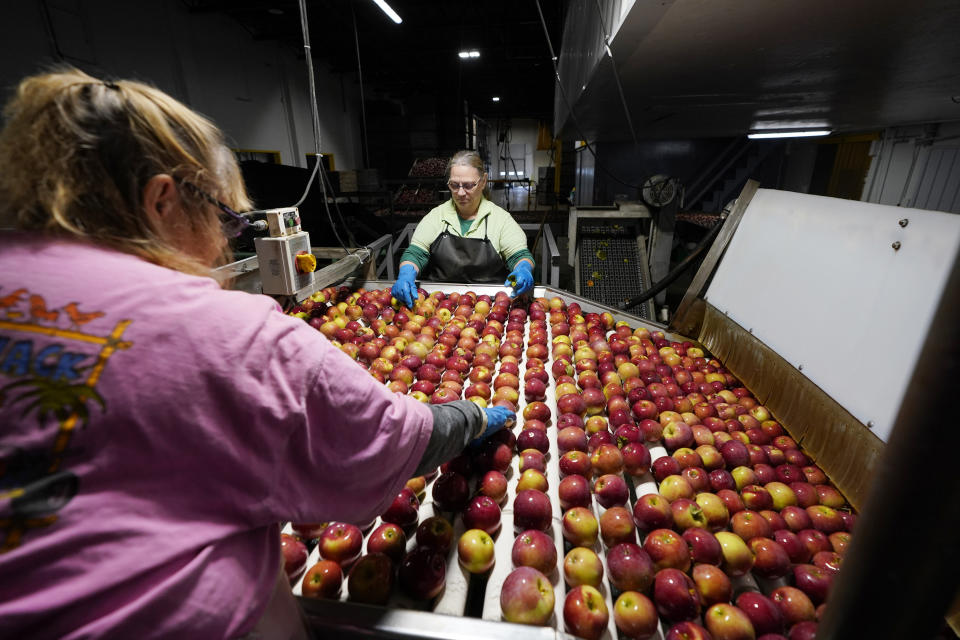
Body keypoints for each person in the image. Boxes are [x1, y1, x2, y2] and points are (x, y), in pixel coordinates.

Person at [0, 68, 514, 639]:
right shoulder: (225, 335)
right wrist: (468, 416)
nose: (226, 242)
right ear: (162, 201)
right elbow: (386, 441)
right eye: (227, 219)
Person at [391, 150, 535, 307]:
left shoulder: (500, 220)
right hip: (439, 302)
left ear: (483, 181)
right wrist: (406, 274)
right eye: (454, 185)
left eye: (468, 185)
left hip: (490, 305)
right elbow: (416, 253)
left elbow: (519, 255)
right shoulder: (437, 216)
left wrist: (523, 269)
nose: (460, 192)